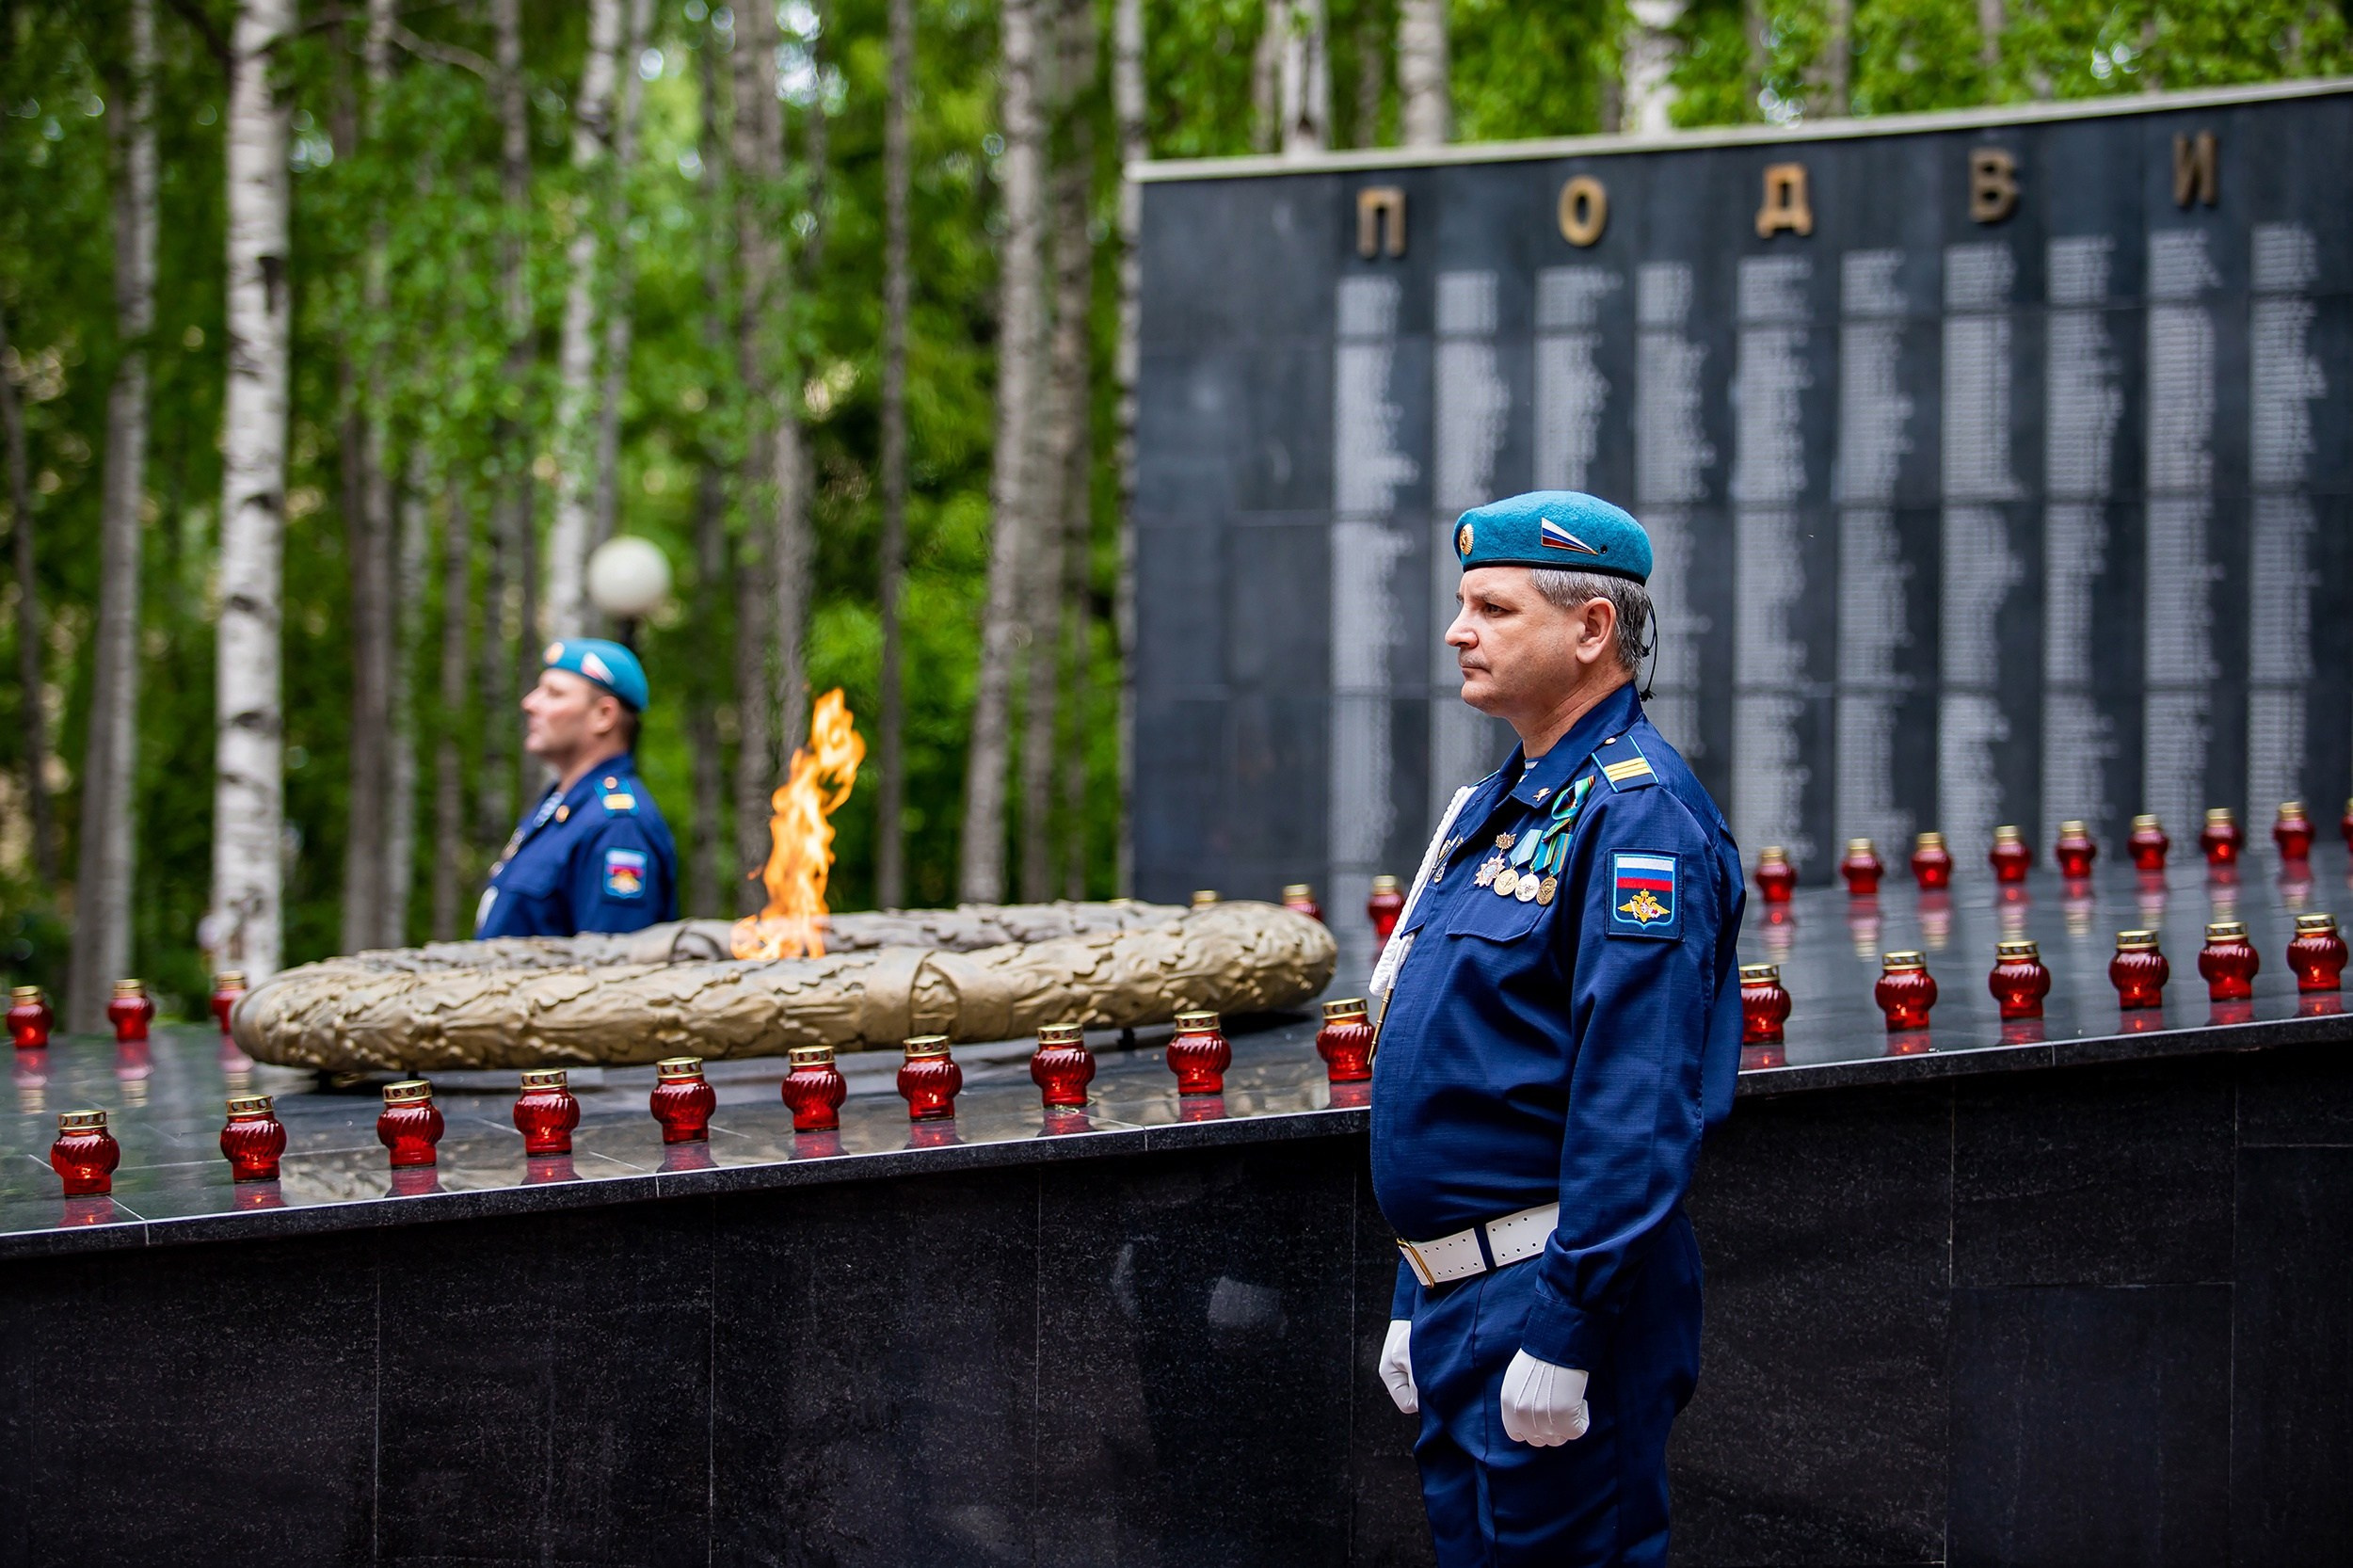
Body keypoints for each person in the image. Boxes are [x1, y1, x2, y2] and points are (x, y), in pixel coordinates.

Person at [1367, 490, 1744, 1566]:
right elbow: (1462, 1074)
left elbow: (1634, 1101)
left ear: (1591, 631)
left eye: (1492, 607)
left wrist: (1568, 1330)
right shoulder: (1504, 805)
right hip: (1463, 1299)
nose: (1457, 630)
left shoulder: (1637, 819)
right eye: (1460, 604)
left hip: (1554, 1297)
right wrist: (1418, 1278)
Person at [473, 638, 680, 939]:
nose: (529, 704)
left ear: (604, 716)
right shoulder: (561, 808)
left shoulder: (618, 826)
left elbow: (613, 970)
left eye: (554, 694)